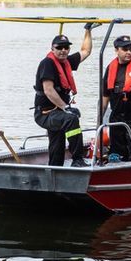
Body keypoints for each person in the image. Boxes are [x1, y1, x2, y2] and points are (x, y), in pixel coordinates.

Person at [34, 26, 93, 167]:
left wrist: (88, 31)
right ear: (52, 49)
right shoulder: (47, 63)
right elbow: (48, 90)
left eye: (66, 47)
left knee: (57, 144)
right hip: (45, 113)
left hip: (58, 112)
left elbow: (86, 51)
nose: (63, 50)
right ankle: (77, 159)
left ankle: (55, 169)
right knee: (71, 120)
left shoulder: (67, 61)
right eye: (59, 47)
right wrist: (66, 108)